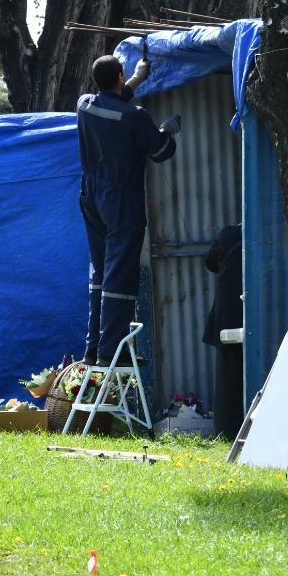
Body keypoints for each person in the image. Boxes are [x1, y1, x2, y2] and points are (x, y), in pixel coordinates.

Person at [77, 54, 181, 366]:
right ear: (119, 77)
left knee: (100, 273)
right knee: (120, 274)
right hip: (120, 198)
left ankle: (93, 348)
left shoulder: (84, 104)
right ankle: (112, 353)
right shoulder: (134, 116)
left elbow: (113, 104)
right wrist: (166, 130)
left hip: (90, 195)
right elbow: (161, 151)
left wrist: (136, 78)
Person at [202, 223, 244, 440]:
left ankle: (227, 432)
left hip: (229, 314)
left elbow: (211, 262)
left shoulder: (230, 234)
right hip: (261, 314)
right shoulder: (271, 231)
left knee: (228, 379)